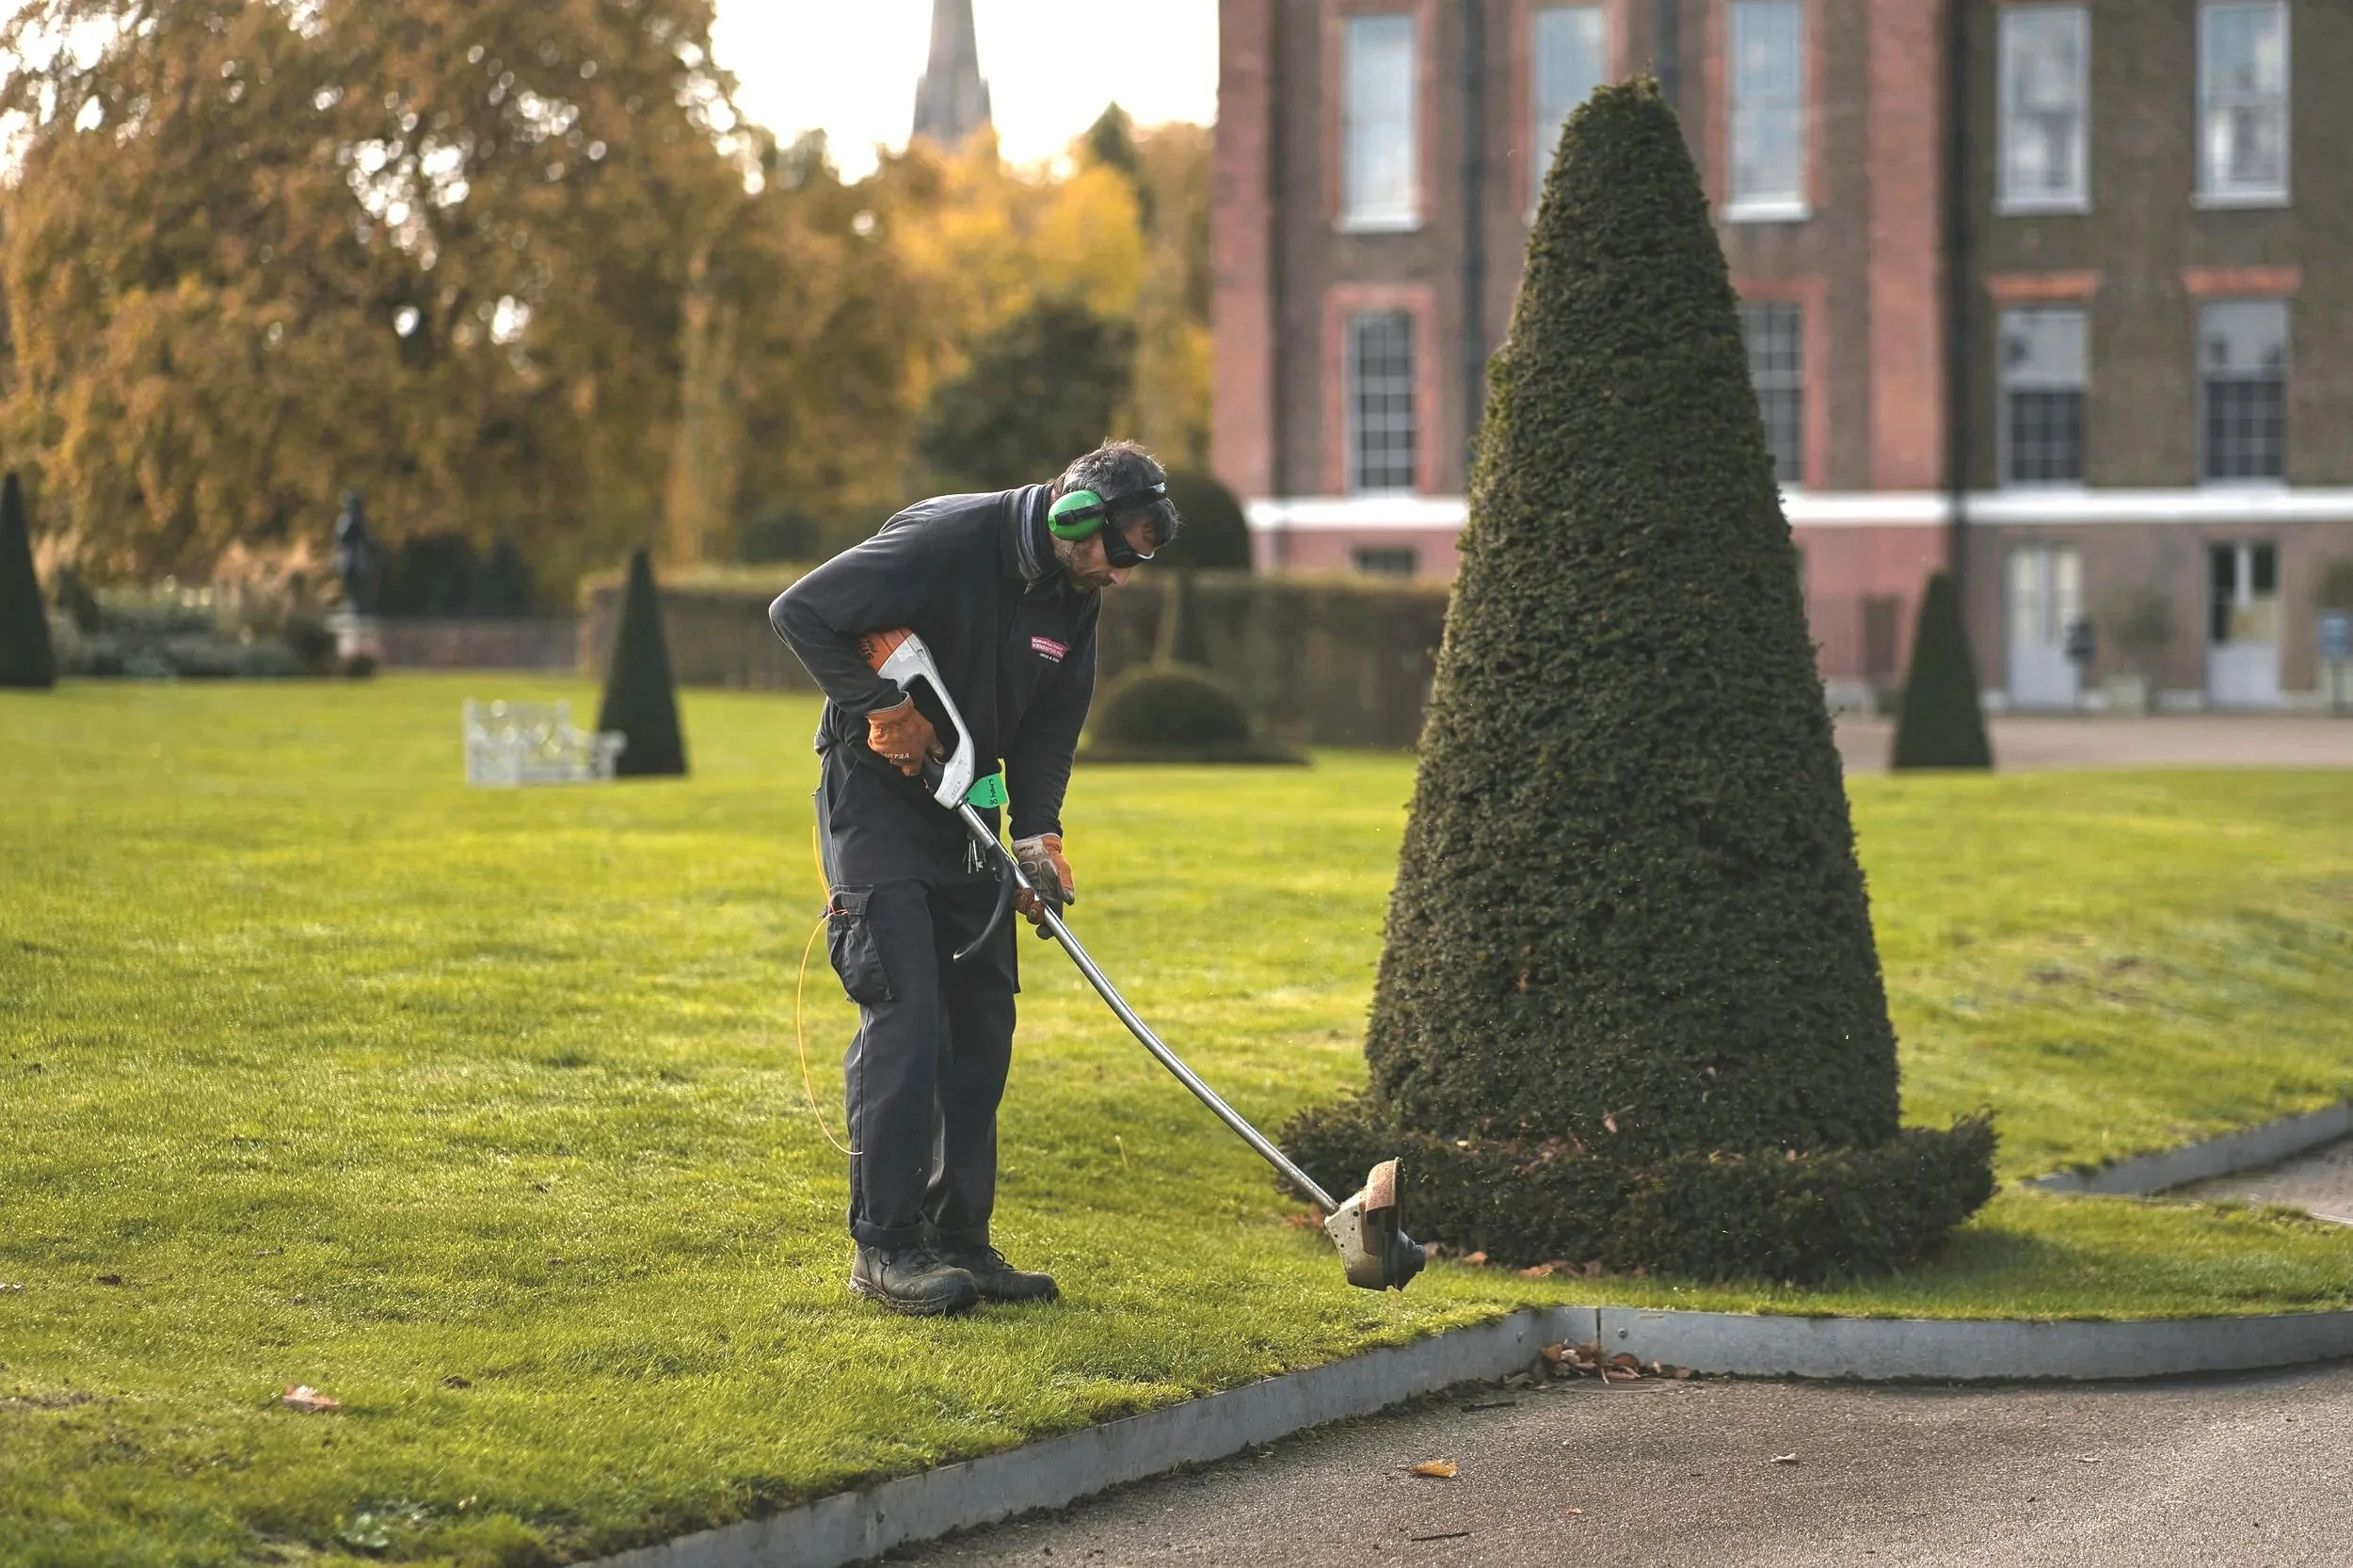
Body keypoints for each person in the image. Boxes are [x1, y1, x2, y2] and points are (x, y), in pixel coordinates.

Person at [769, 440, 1179, 1316]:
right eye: (1119, 553)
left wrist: (1038, 839)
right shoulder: (947, 538)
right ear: (1074, 517)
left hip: (966, 807)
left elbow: (1048, 733)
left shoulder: (1076, 597)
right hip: (876, 803)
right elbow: (799, 611)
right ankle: (886, 1247)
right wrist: (882, 707)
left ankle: (961, 1240)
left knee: (982, 1019)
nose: (1122, 576)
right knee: (907, 1011)